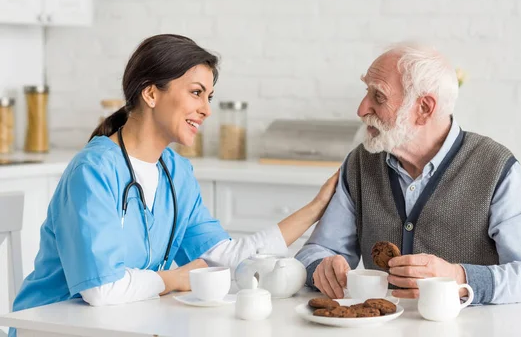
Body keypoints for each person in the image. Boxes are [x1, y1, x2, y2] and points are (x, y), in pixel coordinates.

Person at [11, 34, 338, 328]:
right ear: (151, 93)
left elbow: (222, 257)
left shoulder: (175, 171)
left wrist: (317, 207)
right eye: (197, 93)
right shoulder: (94, 170)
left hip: (115, 323)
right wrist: (173, 279)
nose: (206, 110)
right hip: (49, 326)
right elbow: (101, 289)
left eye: (209, 96)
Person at [295, 43, 521, 305]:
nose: (362, 109)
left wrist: (458, 277)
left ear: (424, 109)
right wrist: (321, 266)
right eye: (367, 92)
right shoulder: (361, 164)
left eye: (379, 96)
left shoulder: (497, 169)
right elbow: (317, 251)